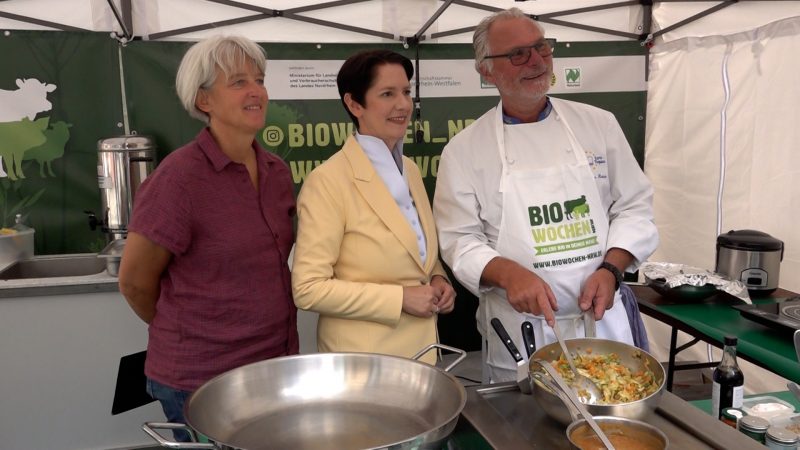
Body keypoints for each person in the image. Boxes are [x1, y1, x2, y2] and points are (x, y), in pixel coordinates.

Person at [433, 8, 658, 382]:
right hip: (521, 332)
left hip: (601, 324)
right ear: (486, 71)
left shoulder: (598, 125)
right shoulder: (464, 150)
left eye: (541, 48)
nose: (536, 61)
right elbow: (459, 240)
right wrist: (508, 274)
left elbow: (635, 207)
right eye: (518, 53)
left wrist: (611, 269)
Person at [118, 35, 298, 441]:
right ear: (204, 101)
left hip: (271, 367)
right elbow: (133, 283)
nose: (256, 91)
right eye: (238, 82)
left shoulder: (276, 172)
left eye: (259, 79)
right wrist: (194, 331)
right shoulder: (178, 179)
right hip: (199, 379)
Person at [291, 50, 455, 365]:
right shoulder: (327, 181)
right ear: (354, 104)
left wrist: (438, 279)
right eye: (387, 94)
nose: (403, 104)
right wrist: (400, 299)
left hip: (423, 357)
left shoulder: (410, 169)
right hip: (363, 366)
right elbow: (308, 288)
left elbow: (417, 253)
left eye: (407, 92)